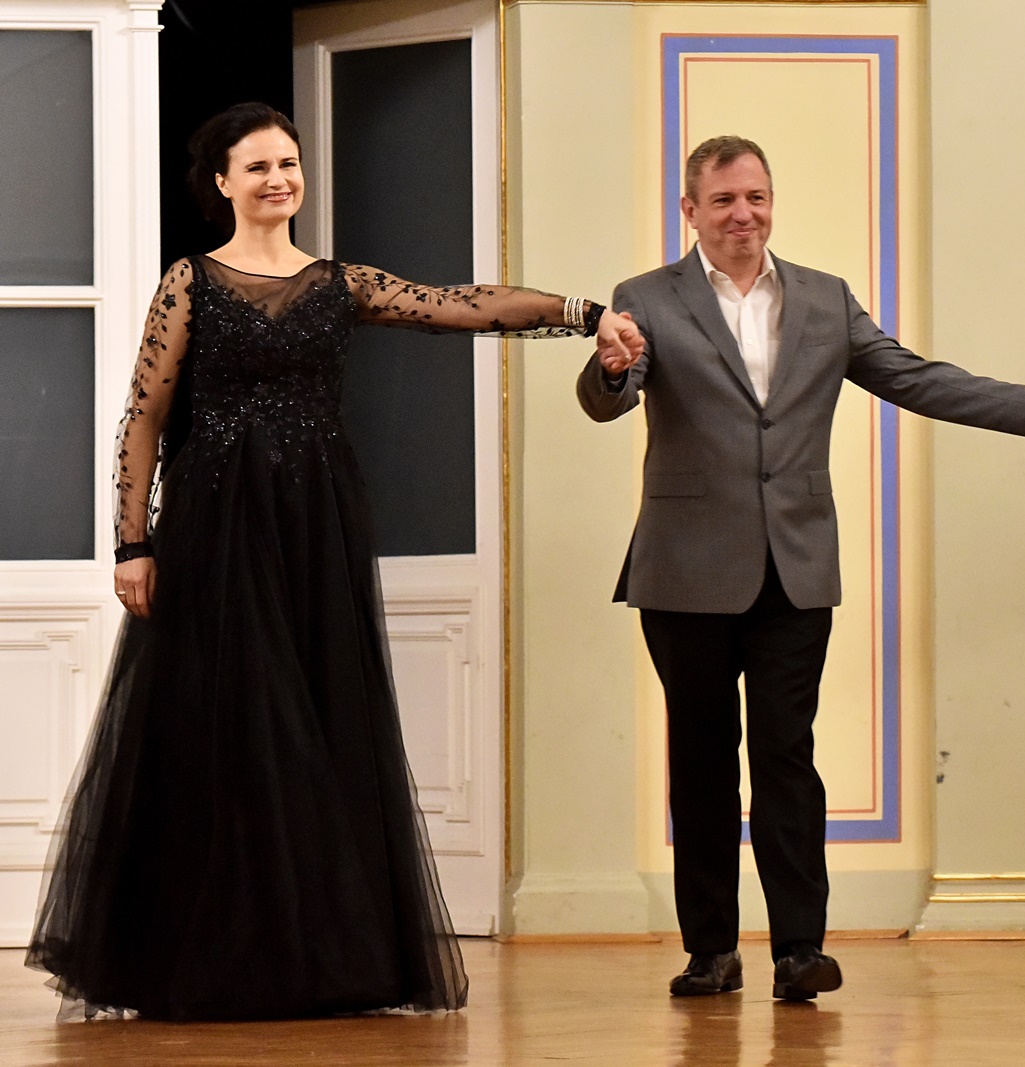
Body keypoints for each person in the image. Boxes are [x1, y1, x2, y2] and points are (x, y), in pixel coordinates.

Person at [25, 102, 643, 1021]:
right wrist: (132, 543)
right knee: (227, 727)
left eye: (289, 162)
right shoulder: (190, 281)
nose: (278, 178)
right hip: (216, 525)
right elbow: (144, 417)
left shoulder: (340, 282)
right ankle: (203, 953)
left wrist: (584, 313)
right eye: (258, 166)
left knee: (318, 720)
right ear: (223, 183)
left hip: (317, 523)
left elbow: (457, 306)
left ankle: (319, 956)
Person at [577, 135, 1025, 1001]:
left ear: (772, 202)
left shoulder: (824, 297)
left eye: (757, 196)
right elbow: (607, 397)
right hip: (685, 569)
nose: (744, 213)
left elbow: (913, 377)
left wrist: (1023, 408)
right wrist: (610, 368)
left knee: (787, 754)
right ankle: (711, 950)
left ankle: (799, 950)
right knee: (702, 760)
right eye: (724, 200)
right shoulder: (645, 298)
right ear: (690, 210)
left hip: (797, 567)